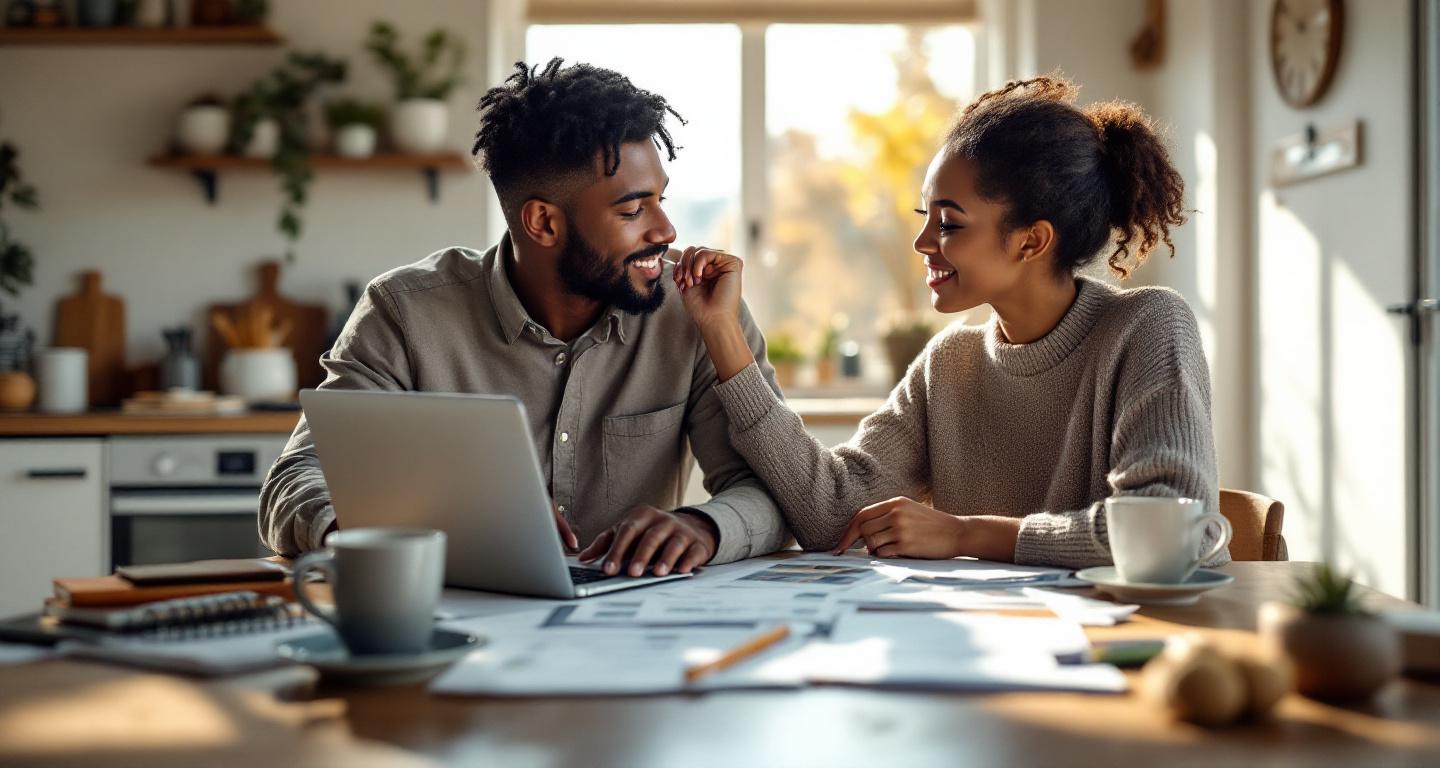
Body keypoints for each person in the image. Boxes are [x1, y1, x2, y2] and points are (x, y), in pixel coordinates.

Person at [260, 58, 789, 577]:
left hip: (633, 614)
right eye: (632, 210)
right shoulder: (404, 313)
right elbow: (294, 480)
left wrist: (704, 527)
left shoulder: (698, 312)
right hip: (458, 614)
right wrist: (397, 534)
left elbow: (777, 492)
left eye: (660, 200)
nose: (666, 230)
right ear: (543, 223)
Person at [671, 75, 1228, 569]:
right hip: (1004, 638)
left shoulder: (1147, 327)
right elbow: (832, 515)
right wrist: (722, 331)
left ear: (1031, 241)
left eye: (949, 224)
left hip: (1147, 637)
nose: (922, 242)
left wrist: (966, 534)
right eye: (925, 216)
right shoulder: (949, 363)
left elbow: (1172, 530)